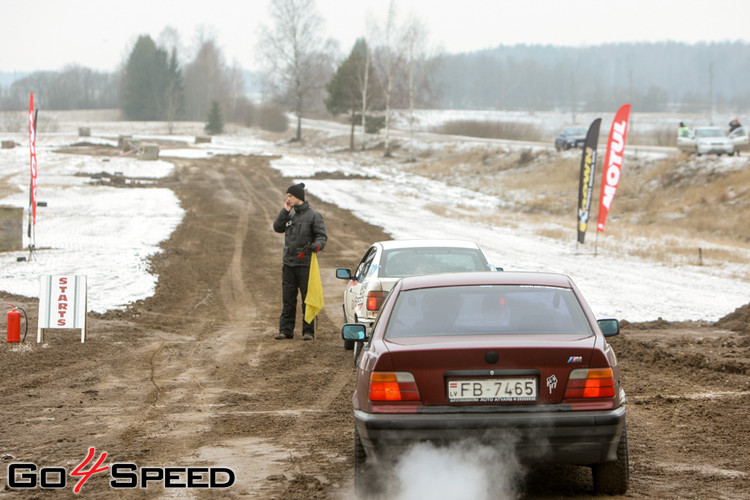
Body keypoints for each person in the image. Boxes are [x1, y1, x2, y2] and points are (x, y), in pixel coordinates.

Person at [272, 183, 327, 341]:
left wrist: (316, 246)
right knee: (288, 299)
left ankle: (308, 332)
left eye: (290, 196)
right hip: (288, 263)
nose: (288, 199)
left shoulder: (314, 216)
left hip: (306, 264)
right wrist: (285, 210)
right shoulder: (289, 214)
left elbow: (321, 236)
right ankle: (285, 331)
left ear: (299, 197)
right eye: (287, 196)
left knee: (307, 299)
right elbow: (277, 227)